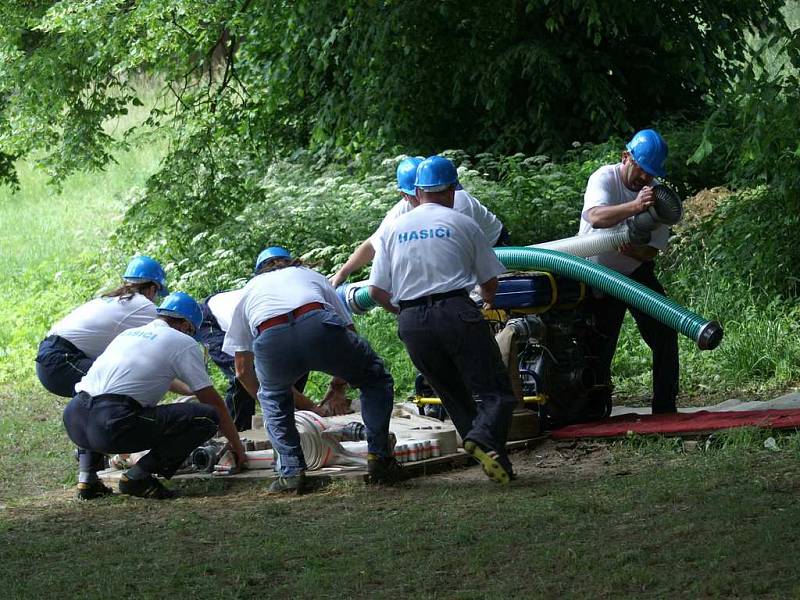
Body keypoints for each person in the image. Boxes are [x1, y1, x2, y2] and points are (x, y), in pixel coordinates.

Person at [368, 156, 517, 485]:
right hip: (455, 311)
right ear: (452, 190)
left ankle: (493, 459)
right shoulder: (463, 223)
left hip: (411, 322)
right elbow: (490, 283)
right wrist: (484, 303)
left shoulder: (393, 229)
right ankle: (482, 438)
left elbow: (377, 290)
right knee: (495, 392)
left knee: (452, 394)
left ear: (417, 192)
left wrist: (403, 312)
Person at [223, 246, 401, 493]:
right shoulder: (310, 275)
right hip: (317, 324)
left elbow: (242, 370)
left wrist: (271, 398)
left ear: (259, 271)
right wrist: (339, 385)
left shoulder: (248, 291)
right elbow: (348, 332)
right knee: (374, 380)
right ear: (290, 262)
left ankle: (292, 473)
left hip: (271, 336)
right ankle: (380, 459)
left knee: (275, 401)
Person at [62, 292, 246, 500]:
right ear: (186, 325)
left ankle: (87, 479)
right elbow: (215, 405)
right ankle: (138, 477)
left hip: (75, 418)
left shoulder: (130, 334)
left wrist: (188, 389)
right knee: (206, 416)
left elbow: (136, 376)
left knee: (96, 404)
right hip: (111, 425)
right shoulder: (181, 341)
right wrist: (237, 446)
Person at [577, 128, 679, 414]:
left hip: (634, 270)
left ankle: (665, 408)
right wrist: (634, 207)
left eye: (651, 173)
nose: (646, 178)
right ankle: (592, 411)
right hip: (595, 272)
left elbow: (651, 251)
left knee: (665, 329)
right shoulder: (604, 177)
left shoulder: (659, 197)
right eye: (642, 169)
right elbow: (595, 217)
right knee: (597, 346)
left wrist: (633, 250)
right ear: (626, 157)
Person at [329, 156, 509, 287]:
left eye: (427, 192)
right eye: (416, 195)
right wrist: (342, 273)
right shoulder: (403, 207)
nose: (424, 199)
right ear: (405, 196)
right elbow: (375, 243)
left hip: (497, 249)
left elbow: (459, 258)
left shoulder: (456, 203)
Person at [198, 287, 345, 430]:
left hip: (252, 316)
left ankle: (290, 413)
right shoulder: (275, 326)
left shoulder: (317, 314)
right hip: (214, 319)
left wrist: (337, 387)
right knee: (243, 380)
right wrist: (312, 408)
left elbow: (345, 349)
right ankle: (238, 431)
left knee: (295, 364)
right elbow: (245, 374)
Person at [36, 255, 168, 398]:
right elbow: (174, 343)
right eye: (156, 293)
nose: (155, 299)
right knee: (123, 381)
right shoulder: (143, 305)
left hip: (51, 357)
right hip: (62, 361)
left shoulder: (110, 300)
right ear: (151, 289)